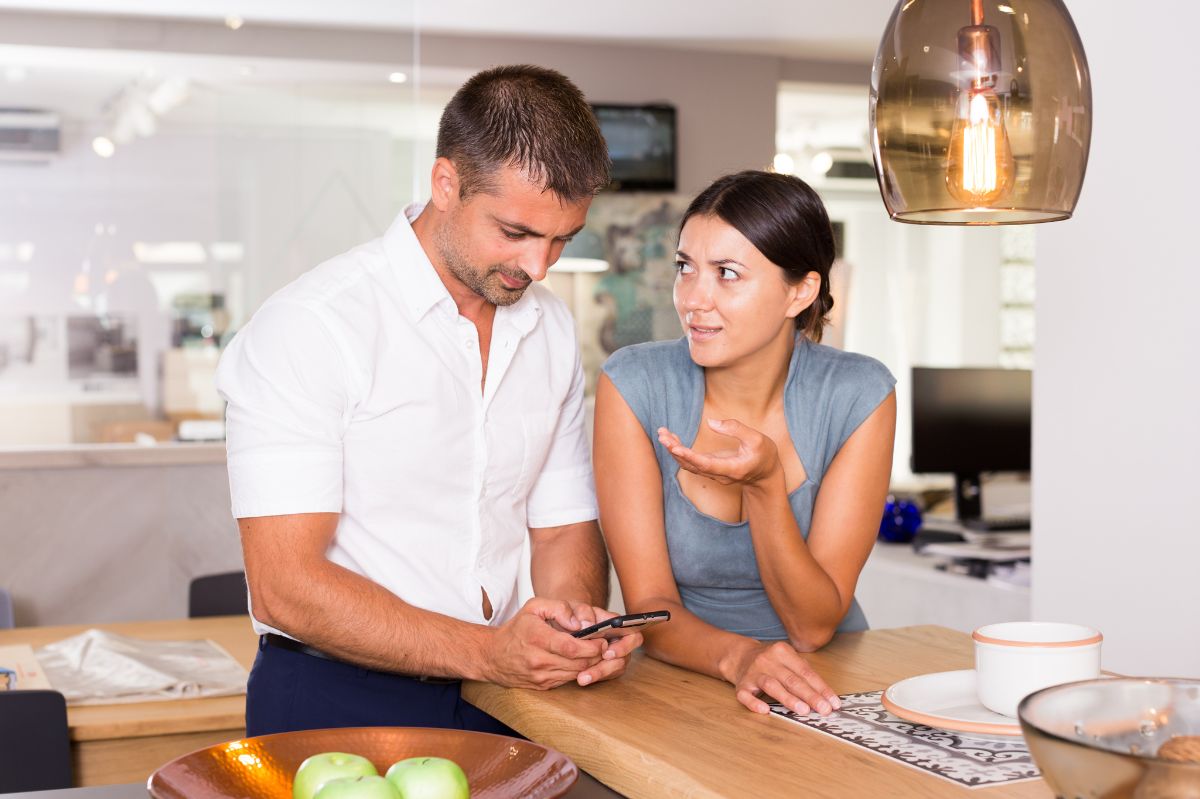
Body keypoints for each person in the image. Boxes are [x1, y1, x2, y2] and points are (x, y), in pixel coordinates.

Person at [215, 64, 642, 737]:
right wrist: (489, 651)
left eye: (561, 239)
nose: (538, 267)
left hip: (505, 696)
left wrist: (573, 629)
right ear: (446, 183)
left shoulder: (550, 327)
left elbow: (561, 525)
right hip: (334, 695)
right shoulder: (312, 325)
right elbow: (286, 583)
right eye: (516, 232)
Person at [593, 170, 896, 719]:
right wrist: (742, 658)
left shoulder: (858, 394)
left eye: (727, 274)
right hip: (685, 682)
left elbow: (811, 628)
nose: (694, 299)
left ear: (799, 291)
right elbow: (649, 609)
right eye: (686, 268)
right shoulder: (633, 383)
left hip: (828, 684)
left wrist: (764, 487)